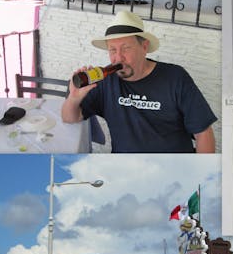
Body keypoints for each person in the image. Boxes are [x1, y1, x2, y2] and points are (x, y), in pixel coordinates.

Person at [62, 10, 217, 153]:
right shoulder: (105, 81)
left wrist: (201, 175)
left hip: (173, 168)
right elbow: (69, 118)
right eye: (112, 50)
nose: (118, 57)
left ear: (144, 47)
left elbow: (203, 133)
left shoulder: (175, 77)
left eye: (126, 48)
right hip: (128, 169)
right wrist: (74, 98)